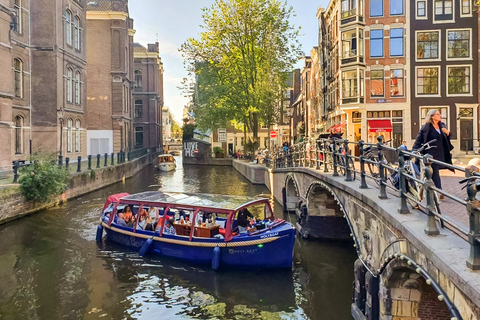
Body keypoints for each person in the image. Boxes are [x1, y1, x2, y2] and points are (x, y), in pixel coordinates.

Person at [413, 109, 454, 199]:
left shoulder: (441, 126)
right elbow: (419, 139)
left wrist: (448, 133)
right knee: (434, 170)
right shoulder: (426, 127)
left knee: (432, 172)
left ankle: (426, 187)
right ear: (432, 116)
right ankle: (439, 190)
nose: (440, 115)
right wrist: (414, 150)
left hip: (441, 152)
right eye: (438, 114)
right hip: (430, 152)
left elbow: (447, 137)